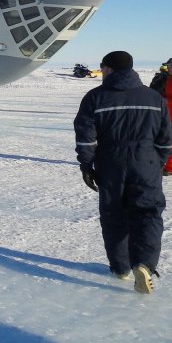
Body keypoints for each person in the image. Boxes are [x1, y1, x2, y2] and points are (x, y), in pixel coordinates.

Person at [74, 50, 172, 294]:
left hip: (111, 165)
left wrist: (87, 165)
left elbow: (86, 138)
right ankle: (144, 265)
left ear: (109, 68)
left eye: (103, 67)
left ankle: (121, 267)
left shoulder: (95, 97)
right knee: (148, 213)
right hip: (146, 164)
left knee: (114, 215)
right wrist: (156, 162)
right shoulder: (153, 97)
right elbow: (166, 138)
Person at [148, 58, 172, 175]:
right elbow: (153, 94)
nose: (169, 68)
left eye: (171, 66)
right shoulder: (163, 79)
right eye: (169, 67)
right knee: (164, 139)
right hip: (165, 115)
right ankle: (167, 167)